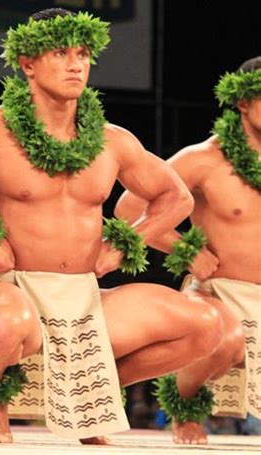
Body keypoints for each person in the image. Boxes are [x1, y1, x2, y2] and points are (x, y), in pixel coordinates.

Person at [0, 9, 224, 444]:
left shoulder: (112, 141)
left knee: (205, 325)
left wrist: (126, 242)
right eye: (61, 53)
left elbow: (175, 197)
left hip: (86, 297)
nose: (75, 64)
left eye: (83, 54)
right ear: (27, 64)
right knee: (5, 329)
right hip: (15, 288)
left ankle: (89, 392)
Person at [115, 57, 261, 443]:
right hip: (219, 294)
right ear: (243, 102)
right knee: (223, 337)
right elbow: (129, 207)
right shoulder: (205, 160)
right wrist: (185, 249)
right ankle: (185, 405)